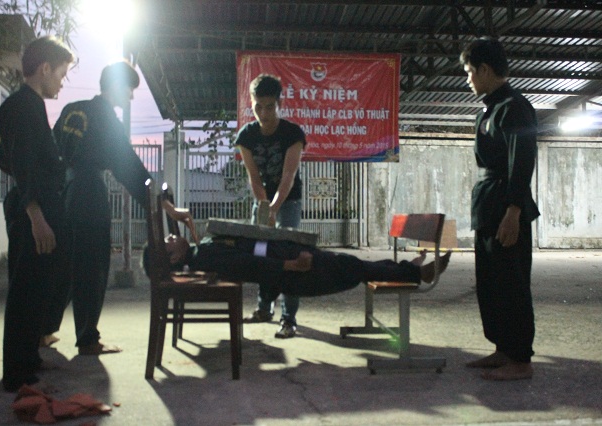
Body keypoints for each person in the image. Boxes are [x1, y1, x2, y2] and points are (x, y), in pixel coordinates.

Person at [46, 61, 151, 356]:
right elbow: (127, 165)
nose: (131, 97)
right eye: (129, 90)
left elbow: (52, 151)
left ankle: (44, 329)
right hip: (89, 192)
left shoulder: (72, 110)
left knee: (65, 266)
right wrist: (155, 197)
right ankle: (88, 339)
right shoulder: (106, 118)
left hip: (64, 193)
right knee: (92, 267)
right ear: (117, 86)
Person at [151, 201, 451, 299]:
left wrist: (183, 218)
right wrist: (291, 265)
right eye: (168, 242)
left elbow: (217, 244)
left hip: (285, 259)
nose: (171, 236)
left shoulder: (202, 251)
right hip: (292, 270)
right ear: (175, 257)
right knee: (352, 267)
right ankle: (416, 273)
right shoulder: (205, 255)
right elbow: (248, 264)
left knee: (351, 264)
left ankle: (410, 270)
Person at [0, 36, 75, 392]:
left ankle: (28, 359)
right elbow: (22, 164)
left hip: (38, 206)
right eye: (61, 74)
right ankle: (17, 372)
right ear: (44, 68)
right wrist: (36, 217)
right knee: (26, 291)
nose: (62, 82)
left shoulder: (26, 105)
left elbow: (11, 160)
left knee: (39, 286)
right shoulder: (22, 106)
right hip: (34, 211)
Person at [460, 37, 540, 381]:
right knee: (491, 283)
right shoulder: (489, 109)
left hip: (506, 204)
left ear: (484, 70)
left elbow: (522, 161)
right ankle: (503, 349)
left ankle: (520, 359)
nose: (468, 79)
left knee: (511, 283)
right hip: (489, 205)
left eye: (469, 72)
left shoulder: (514, 106)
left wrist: (513, 210)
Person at [235, 74, 306, 338]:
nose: (263, 114)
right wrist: (265, 208)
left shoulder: (293, 134)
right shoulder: (246, 136)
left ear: (279, 104)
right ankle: (264, 308)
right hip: (262, 199)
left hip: (289, 200)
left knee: (289, 255)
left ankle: (289, 319)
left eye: (269, 107)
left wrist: (275, 208)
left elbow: (288, 176)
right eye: (258, 107)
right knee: (261, 253)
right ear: (252, 104)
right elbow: (254, 178)